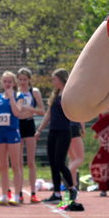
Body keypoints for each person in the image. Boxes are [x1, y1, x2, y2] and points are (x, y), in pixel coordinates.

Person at [36, 69, 76, 203]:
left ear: (62, 79)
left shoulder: (68, 93)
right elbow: (48, 114)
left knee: (59, 161)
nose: (53, 82)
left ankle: (72, 188)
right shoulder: (55, 94)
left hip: (64, 131)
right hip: (53, 131)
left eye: (55, 79)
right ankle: (57, 193)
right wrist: (39, 130)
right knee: (52, 163)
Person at [0, 71, 27, 205]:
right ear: (2, 82)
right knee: (2, 166)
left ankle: (17, 195)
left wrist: (11, 98)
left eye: (10, 82)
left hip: (12, 133)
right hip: (0, 133)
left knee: (15, 165)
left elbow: (17, 112)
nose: (7, 84)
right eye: (5, 81)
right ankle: (4, 194)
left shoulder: (19, 96)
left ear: (14, 83)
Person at [16, 67, 45, 202]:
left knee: (31, 161)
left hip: (28, 124)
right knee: (18, 162)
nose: (22, 82)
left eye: (25, 80)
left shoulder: (34, 92)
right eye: (20, 79)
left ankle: (33, 192)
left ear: (29, 80)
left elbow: (42, 111)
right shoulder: (15, 93)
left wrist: (29, 109)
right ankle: (19, 192)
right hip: (16, 125)